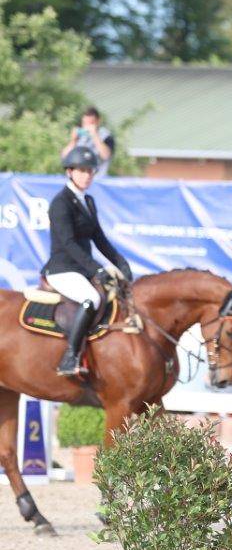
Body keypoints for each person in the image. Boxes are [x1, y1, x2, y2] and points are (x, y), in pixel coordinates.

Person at [41, 146, 132, 376]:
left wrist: (120, 263)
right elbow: (68, 243)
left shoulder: (88, 201)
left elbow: (99, 238)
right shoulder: (60, 203)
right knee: (91, 298)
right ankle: (70, 356)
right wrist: (97, 269)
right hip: (63, 269)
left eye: (90, 171)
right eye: (82, 170)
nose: (87, 175)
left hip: (81, 269)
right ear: (69, 171)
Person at [61, 106, 114, 176]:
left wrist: (95, 135)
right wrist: (73, 141)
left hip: (98, 177)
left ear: (98, 121)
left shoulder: (105, 136)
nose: (87, 127)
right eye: (85, 123)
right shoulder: (79, 135)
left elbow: (106, 156)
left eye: (91, 123)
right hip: (78, 177)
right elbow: (64, 156)